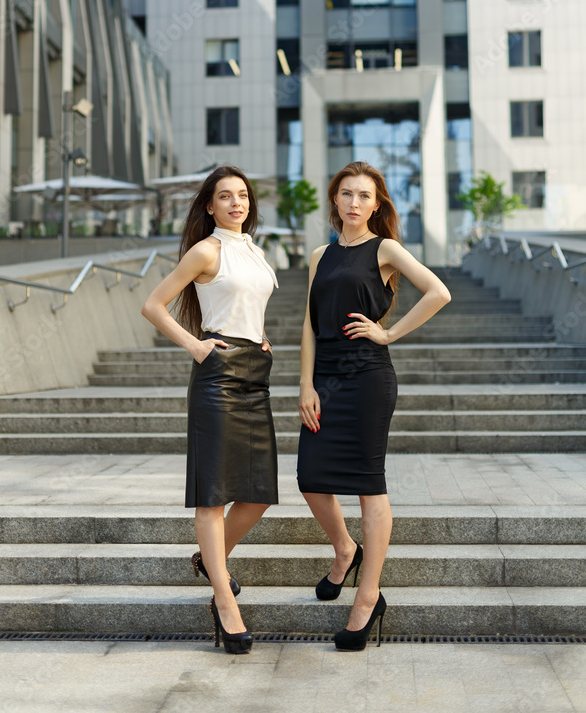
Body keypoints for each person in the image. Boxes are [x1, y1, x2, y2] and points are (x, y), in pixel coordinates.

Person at [297, 161, 451, 651]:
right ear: (335, 200)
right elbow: (308, 323)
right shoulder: (320, 254)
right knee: (310, 477)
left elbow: (438, 292)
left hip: (367, 377)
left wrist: (388, 332)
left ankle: (367, 597)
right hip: (325, 380)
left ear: (377, 204)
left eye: (365, 196)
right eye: (347, 194)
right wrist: (305, 383)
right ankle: (345, 548)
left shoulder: (384, 248)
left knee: (368, 486)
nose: (355, 203)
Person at [141, 165, 278, 654]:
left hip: (255, 377)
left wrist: (261, 338)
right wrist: (196, 347)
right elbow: (154, 305)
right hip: (218, 376)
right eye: (226, 196)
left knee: (259, 493)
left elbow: (249, 306)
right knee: (212, 497)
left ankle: (208, 559)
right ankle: (224, 602)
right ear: (210, 206)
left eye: (243, 195)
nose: (237, 203)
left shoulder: (257, 251)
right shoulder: (207, 250)